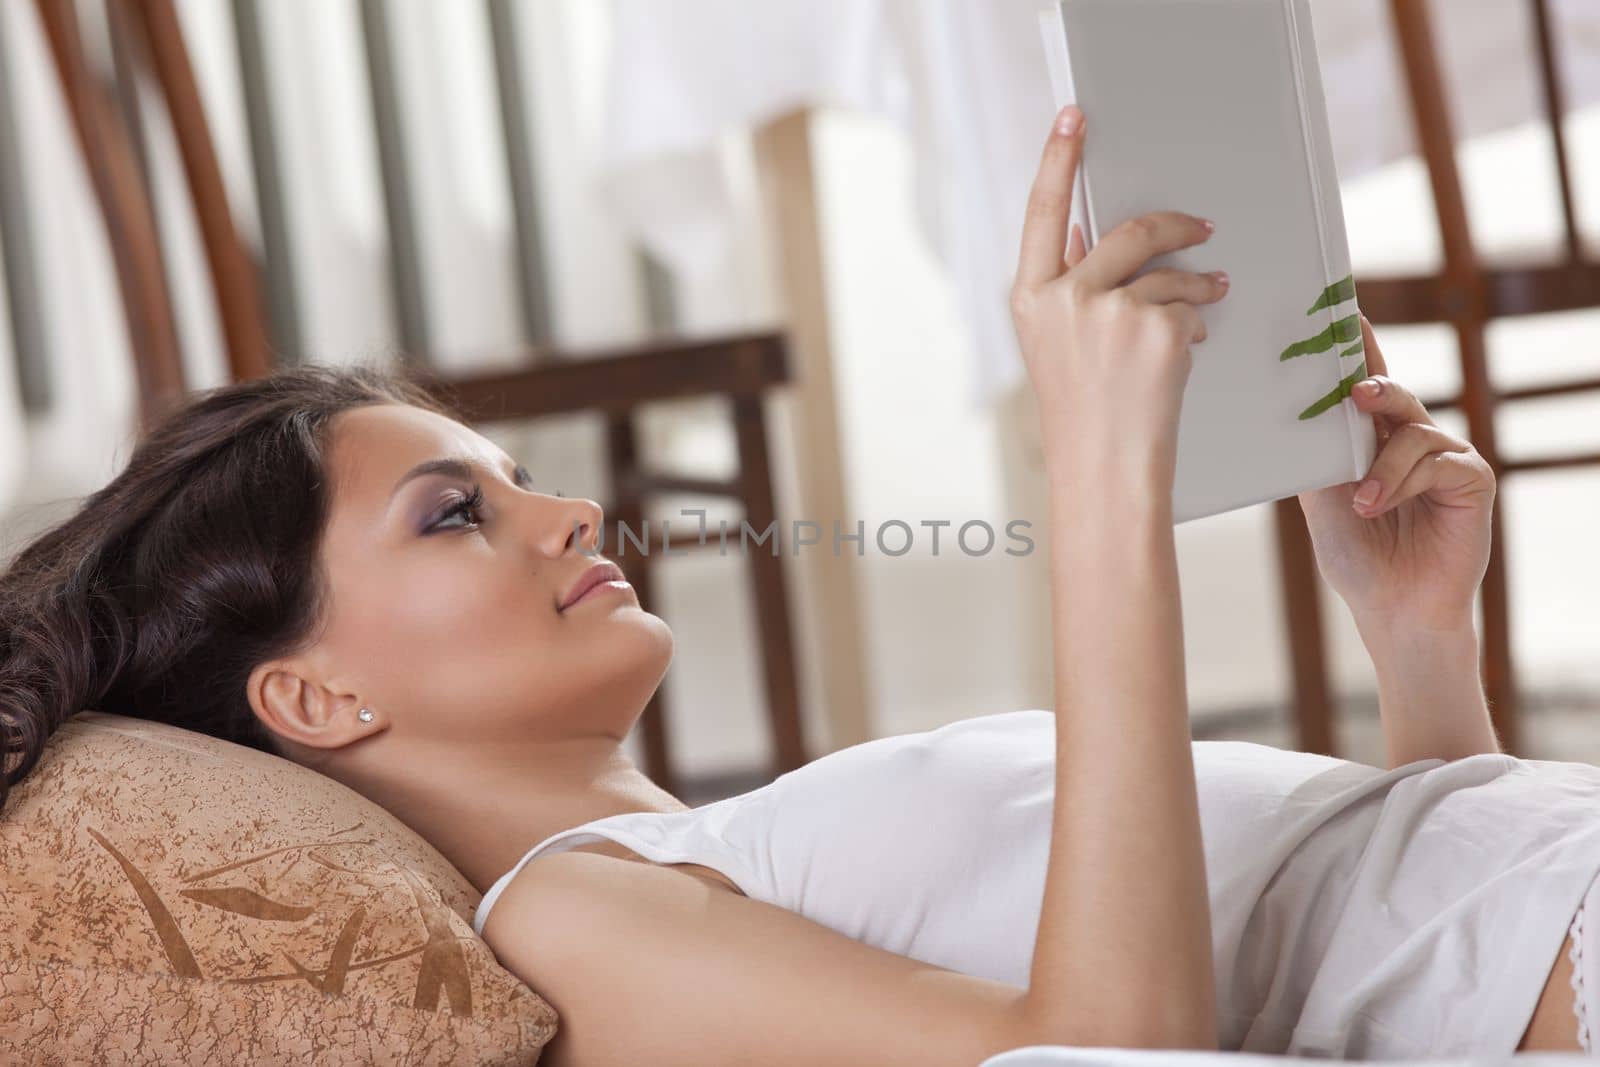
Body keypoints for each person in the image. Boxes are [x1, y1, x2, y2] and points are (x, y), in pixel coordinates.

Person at [2, 103, 1598, 1067]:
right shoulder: (560, 923)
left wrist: (1416, 650)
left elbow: (1419, 927)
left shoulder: (708, 849)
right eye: (452, 515)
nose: (566, 515)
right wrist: (1103, 483)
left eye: (517, 479)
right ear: (315, 694)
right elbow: (1105, 1062)